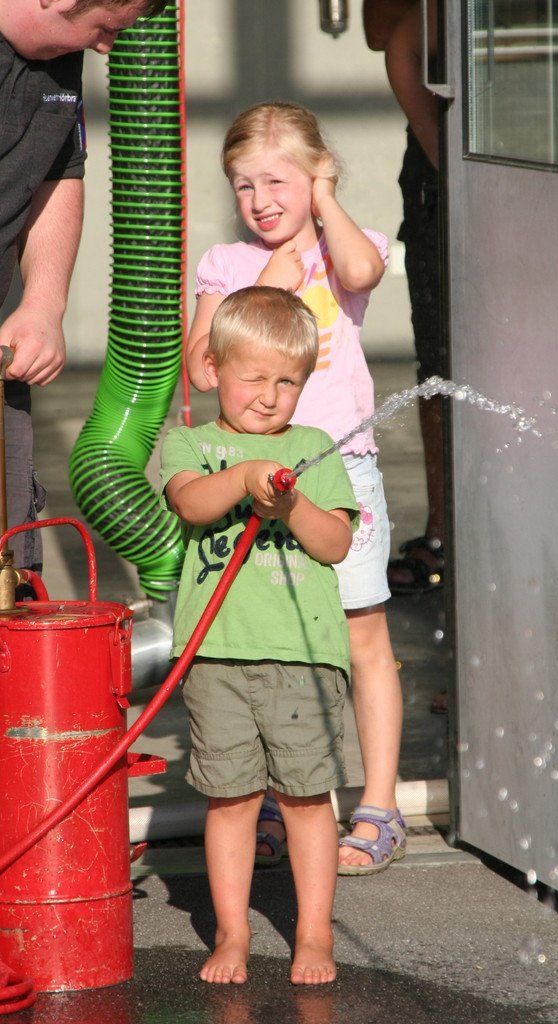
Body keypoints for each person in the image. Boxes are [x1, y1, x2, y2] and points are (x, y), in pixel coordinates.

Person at [185, 102, 407, 874]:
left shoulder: (343, 250)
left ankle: (378, 803)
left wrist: (325, 201)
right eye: (243, 185)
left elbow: (363, 273)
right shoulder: (227, 265)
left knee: (360, 635)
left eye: (277, 181)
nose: (259, 200)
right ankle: (282, 797)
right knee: (275, 641)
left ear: (316, 176)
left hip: (342, 473)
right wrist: (264, 285)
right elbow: (200, 370)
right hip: (253, 478)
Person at [0, 0, 167, 786]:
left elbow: (57, 175)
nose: (109, 47)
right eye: (107, 24)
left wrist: (43, 304)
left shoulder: (58, 55)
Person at [161, 286, 359, 984]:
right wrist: (245, 477)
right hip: (216, 655)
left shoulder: (312, 450)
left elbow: (335, 543)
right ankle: (233, 933)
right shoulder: (191, 442)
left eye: (288, 382)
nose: (270, 398)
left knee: (306, 799)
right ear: (213, 368)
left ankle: (313, 934)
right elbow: (191, 502)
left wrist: (292, 503)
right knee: (232, 798)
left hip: (303, 658)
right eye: (253, 378)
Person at [363, 0, 446, 600]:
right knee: (445, 363)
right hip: (451, 160)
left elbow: (391, 40)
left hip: (457, 155)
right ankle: (445, 531)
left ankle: (445, 533)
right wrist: (447, 159)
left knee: (444, 363)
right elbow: (389, 38)